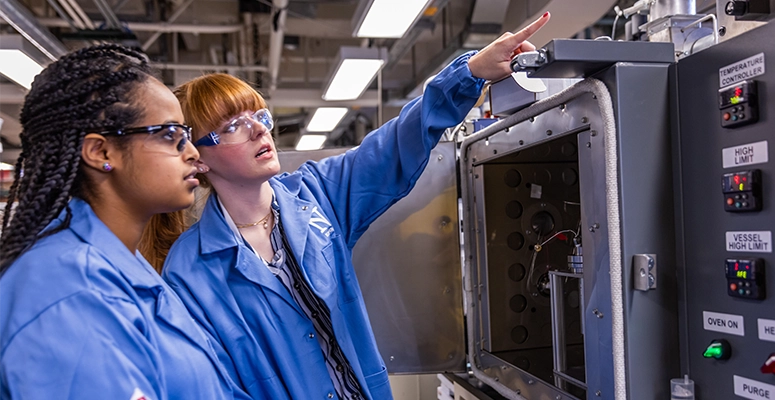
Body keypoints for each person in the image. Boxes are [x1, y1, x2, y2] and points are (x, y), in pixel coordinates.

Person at [161, 13, 551, 399]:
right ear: (199, 158)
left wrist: (471, 72)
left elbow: (395, 144)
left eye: (259, 115)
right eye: (232, 126)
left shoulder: (315, 196)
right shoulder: (190, 270)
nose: (260, 129)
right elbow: (210, 387)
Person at [0, 44, 249, 399]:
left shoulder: (121, 263)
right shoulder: (68, 290)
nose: (192, 151)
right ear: (102, 152)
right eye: (170, 135)